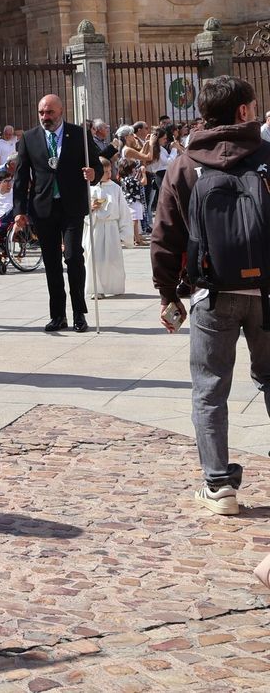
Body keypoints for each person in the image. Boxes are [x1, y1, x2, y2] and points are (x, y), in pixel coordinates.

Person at [150, 75, 270, 517]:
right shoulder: (267, 156)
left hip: (210, 293)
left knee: (209, 388)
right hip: (267, 293)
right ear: (241, 112)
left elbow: (164, 237)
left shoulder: (184, 165)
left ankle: (218, 484)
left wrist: (168, 294)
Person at [11, 94, 99, 333]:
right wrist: (19, 211)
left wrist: (94, 174)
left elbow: (97, 166)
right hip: (43, 208)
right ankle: (58, 315)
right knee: (51, 262)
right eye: (41, 113)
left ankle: (79, 313)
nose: (45, 117)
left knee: (72, 257)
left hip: (71, 206)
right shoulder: (29, 138)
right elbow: (20, 178)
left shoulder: (78, 134)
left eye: (49, 113)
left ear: (61, 111)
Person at [85, 157, 130, 298]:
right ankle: (97, 289)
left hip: (111, 228)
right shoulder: (90, 188)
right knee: (95, 259)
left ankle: (114, 286)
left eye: (110, 170)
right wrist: (90, 208)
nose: (108, 174)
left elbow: (123, 210)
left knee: (112, 259)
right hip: (95, 227)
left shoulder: (115, 188)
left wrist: (125, 233)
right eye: (105, 171)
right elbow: (81, 210)